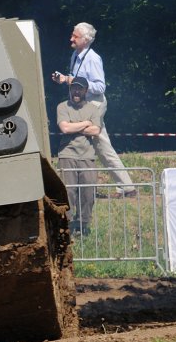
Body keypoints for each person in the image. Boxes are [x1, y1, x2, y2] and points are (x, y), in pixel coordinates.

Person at [51, 22, 136, 198]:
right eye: (72, 35)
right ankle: (126, 187)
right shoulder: (76, 55)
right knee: (102, 146)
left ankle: (92, 188)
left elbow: (100, 87)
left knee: (90, 141)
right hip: (82, 105)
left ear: (85, 39)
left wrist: (70, 80)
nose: (71, 38)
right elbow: (77, 82)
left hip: (94, 104)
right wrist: (65, 80)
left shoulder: (93, 58)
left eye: (75, 36)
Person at [56, 77, 101, 236]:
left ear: (86, 91)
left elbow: (96, 131)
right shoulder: (62, 106)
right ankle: (65, 228)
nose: (76, 91)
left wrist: (74, 126)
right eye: (74, 88)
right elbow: (65, 128)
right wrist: (86, 123)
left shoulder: (93, 109)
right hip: (67, 155)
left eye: (80, 89)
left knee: (88, 194)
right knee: (67, 194)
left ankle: (82, 228)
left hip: (87, 157)